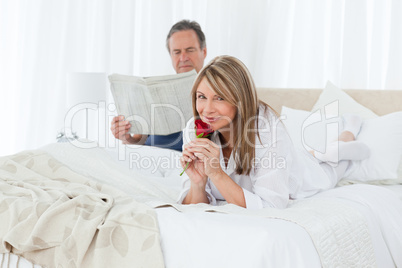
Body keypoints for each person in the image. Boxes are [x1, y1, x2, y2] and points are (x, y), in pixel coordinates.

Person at [178, 55, 370, 210]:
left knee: (334, 159)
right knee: (313, 154)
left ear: (239, 100)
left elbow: (271, 206)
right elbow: (193, 206)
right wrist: (198, 183)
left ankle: (350, 130)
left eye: (219, 98)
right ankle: (320, 150)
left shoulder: (266, 128)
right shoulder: (194, 130)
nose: (207, 109)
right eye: (201, 97)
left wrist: (218, 174)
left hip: (304, 176)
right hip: (287, 157)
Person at [110, 20, 207, 151]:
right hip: (148, 159)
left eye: (190, 50)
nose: (183, 57)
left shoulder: (217, 90)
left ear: (204, 52)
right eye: (177, 52)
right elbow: (138, 140)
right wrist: (126, 136)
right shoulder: (157, 91)